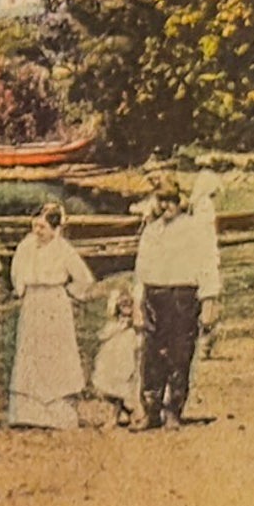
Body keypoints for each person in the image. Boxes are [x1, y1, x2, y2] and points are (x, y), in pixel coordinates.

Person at [132, 178, 223, 430]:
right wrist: (139, 303)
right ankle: (151, 411)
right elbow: (141, 270)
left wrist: (208, 302)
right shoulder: (151, 231)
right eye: (161, 200)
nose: (166, 206)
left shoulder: (194, 229)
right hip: (155, 295)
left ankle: (173, 410)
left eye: (171, 200)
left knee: (179, 354)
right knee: (151, 356)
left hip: (183, 296)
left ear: (180, 201)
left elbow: (207, 266)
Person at [7, 202, 97, 429]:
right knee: (31, 352)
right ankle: (28, 412)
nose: (37, 231)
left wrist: (69, 292)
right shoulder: (26, 245)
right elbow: (16, 270)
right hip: (33, 302)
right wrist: (22, 288)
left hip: (54, 303)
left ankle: (58, 412)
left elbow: (84, 278)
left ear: (55, 229)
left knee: (54, 353)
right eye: (35, 225)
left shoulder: (63, 249)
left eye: (43, 227)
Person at [91, 287, 141, 427]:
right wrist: (118, 328)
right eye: (122, 305)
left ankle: (123, 413)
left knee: (126, 382)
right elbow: (103, 335)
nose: (126, 308)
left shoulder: (133, 328)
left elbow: (138, 341)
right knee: (109, 383)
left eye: (128, 304)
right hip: (112, 358)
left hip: (127, 357)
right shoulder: (114, 324)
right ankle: (121, 413)